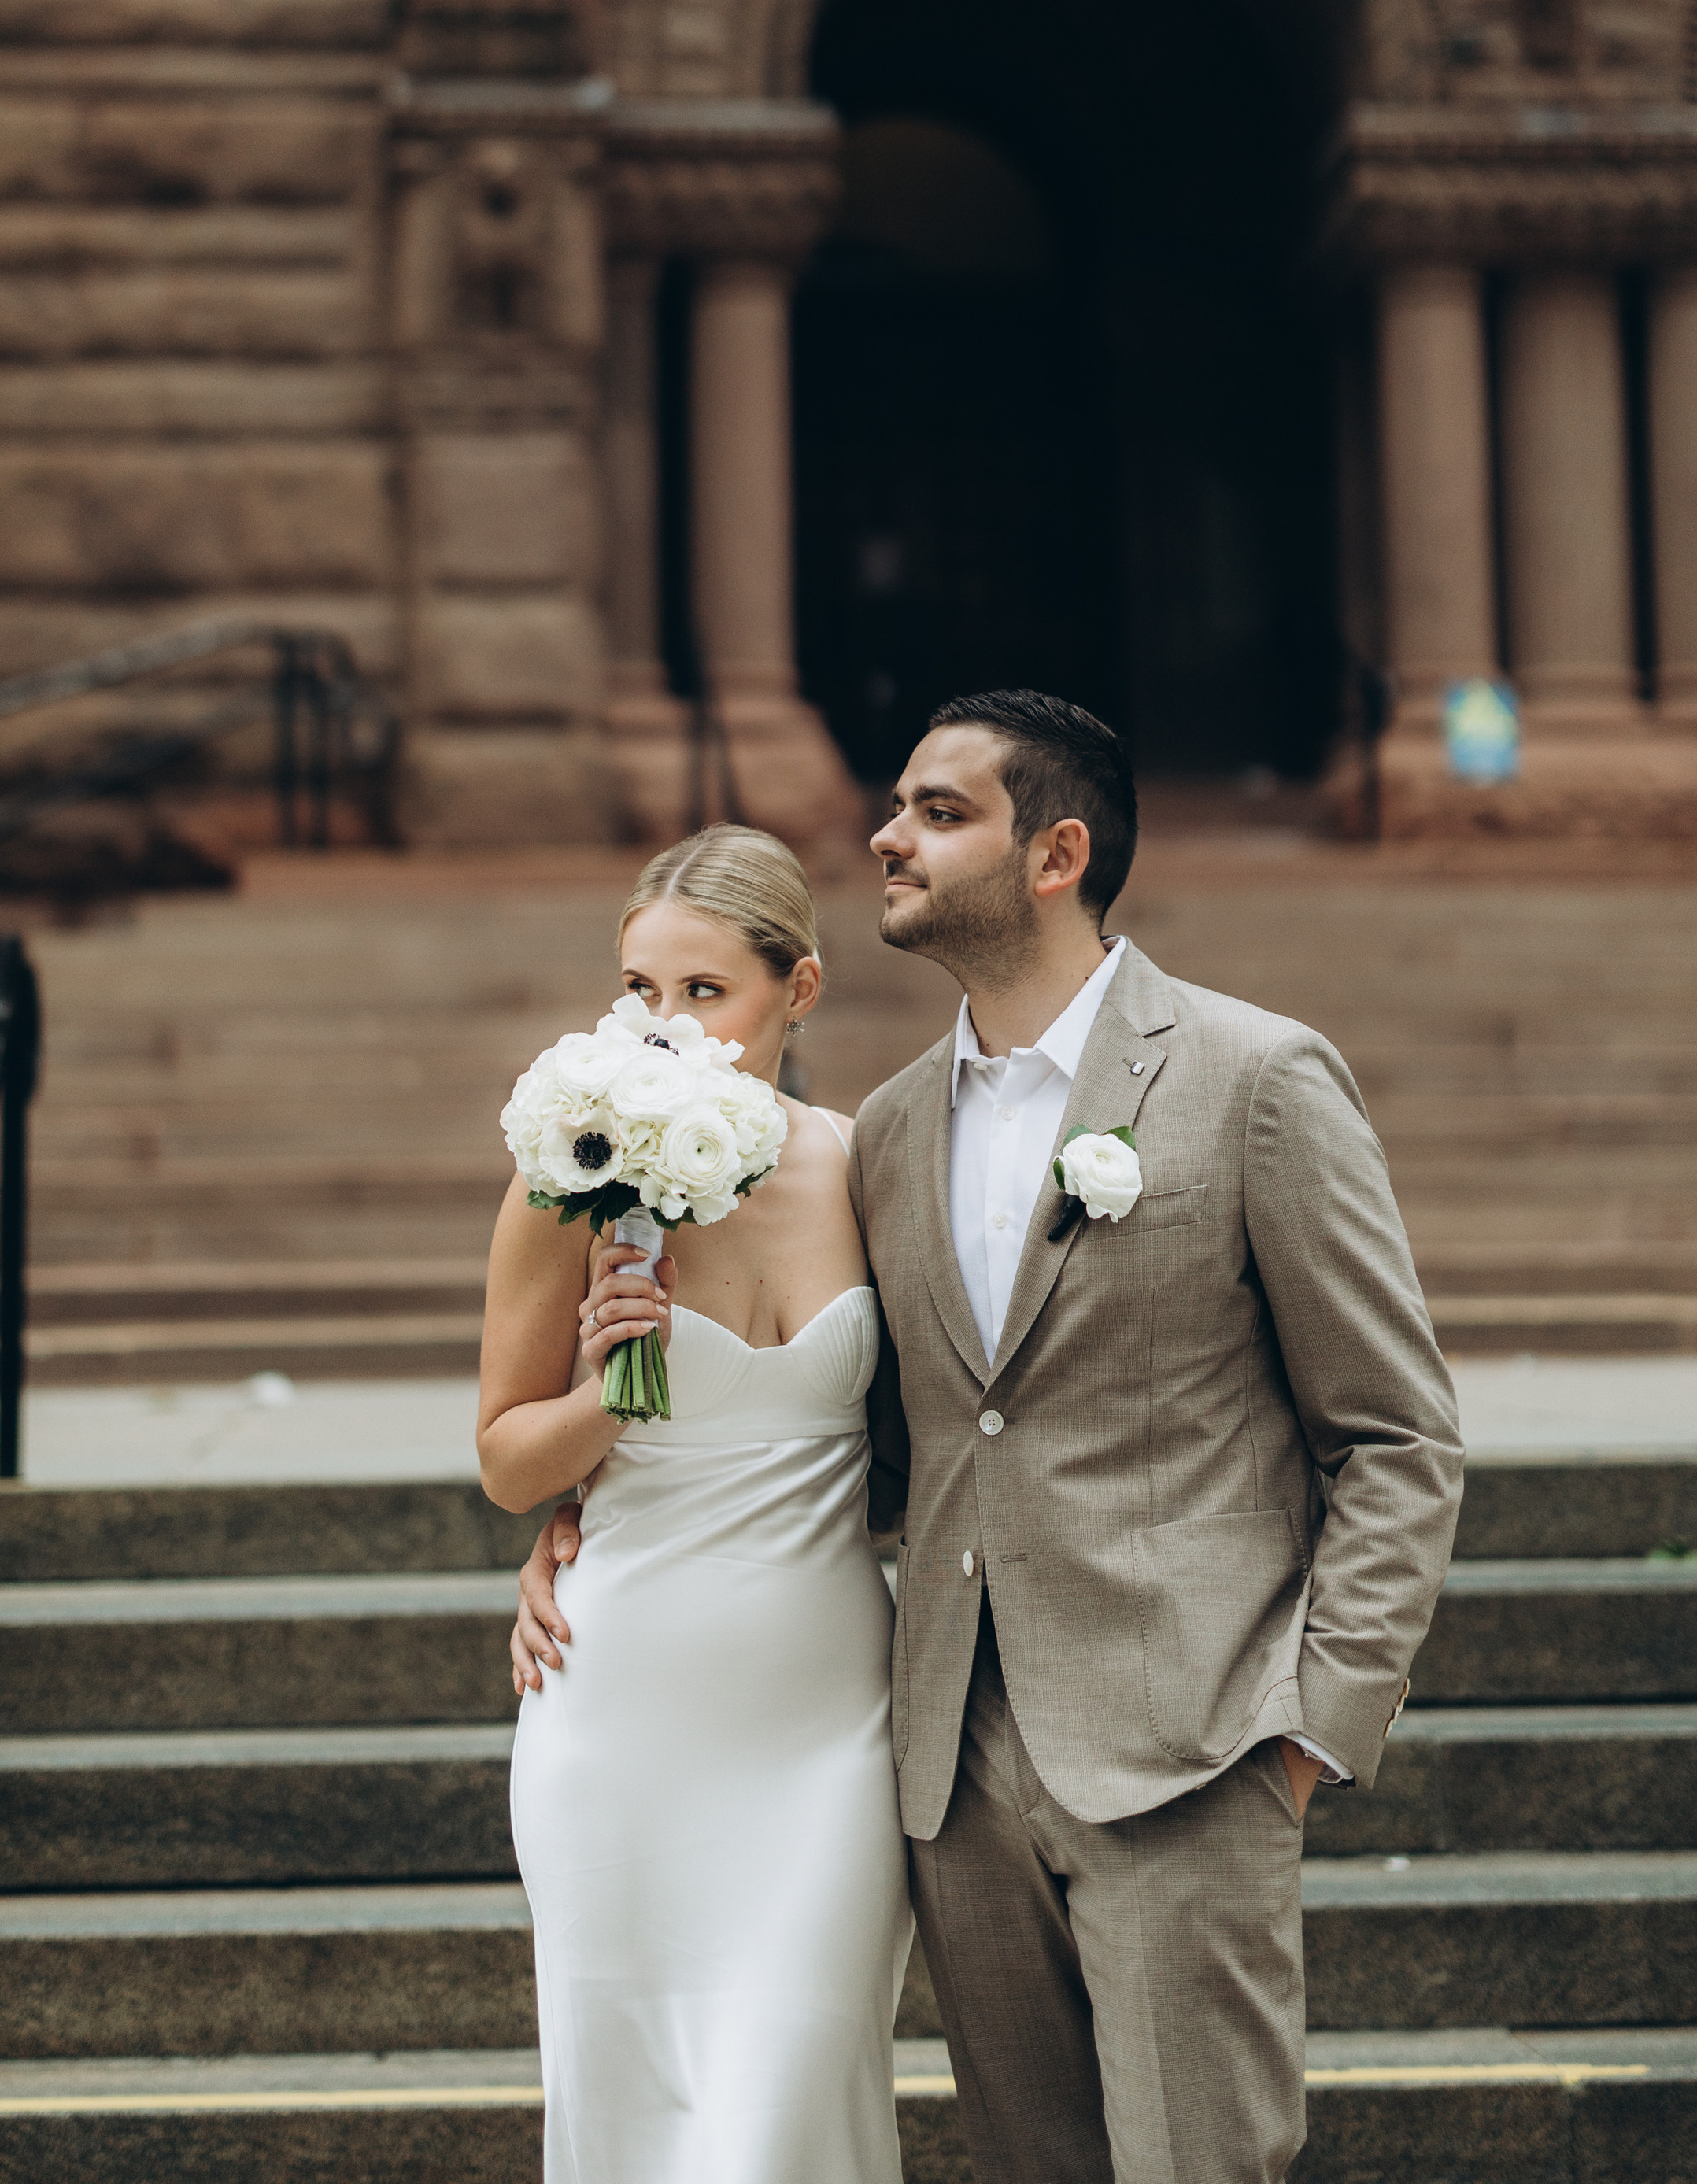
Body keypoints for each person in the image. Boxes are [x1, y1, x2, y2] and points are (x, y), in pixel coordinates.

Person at [515, 689, 1464, 2184]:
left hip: (1190, 1749)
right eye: (899, 805)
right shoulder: (891, 1131)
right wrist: (600, 1513)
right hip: (951, 1775)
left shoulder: (1254, 1077)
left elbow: (1397, 1434)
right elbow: (876, 1441)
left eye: (939, 812)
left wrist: (1306, 1732)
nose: (886, 836)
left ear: (1056, 856)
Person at [479, 822, 914, 2184]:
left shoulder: (872, 1164)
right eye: (640, 989)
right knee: (640, 2127)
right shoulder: (570, 1178)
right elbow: (507, 1460)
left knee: (790, 2107)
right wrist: (611, 1403)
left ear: (801, 988)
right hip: (623, 1715)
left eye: (705, 989)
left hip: (828, 1724)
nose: (664, 1023)